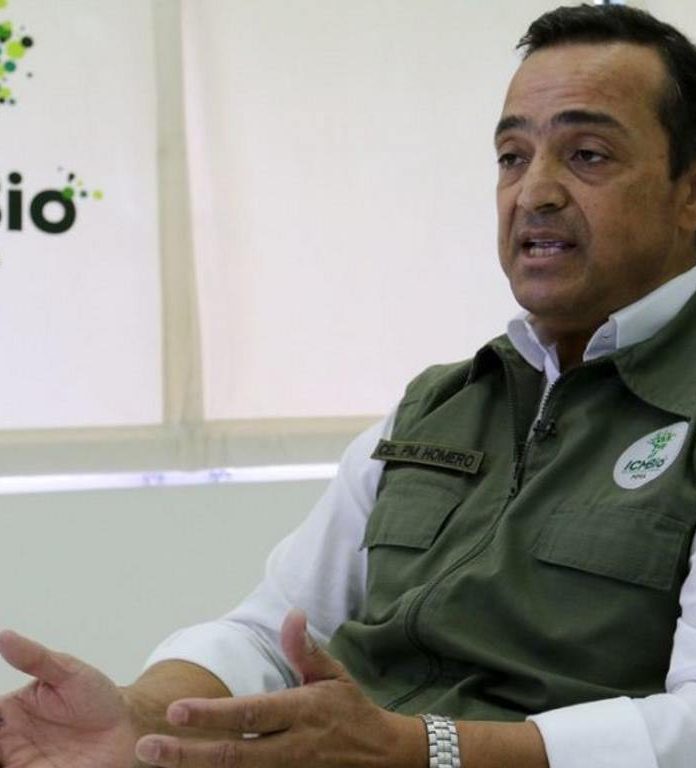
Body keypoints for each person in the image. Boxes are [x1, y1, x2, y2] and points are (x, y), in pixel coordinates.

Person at [1, 3, 695, 767]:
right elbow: (270, 633)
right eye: (511, 157)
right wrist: (141, 714)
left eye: (587, 155)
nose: (535, 192)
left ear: (689, 193)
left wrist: (425, 750)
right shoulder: (437, 406)